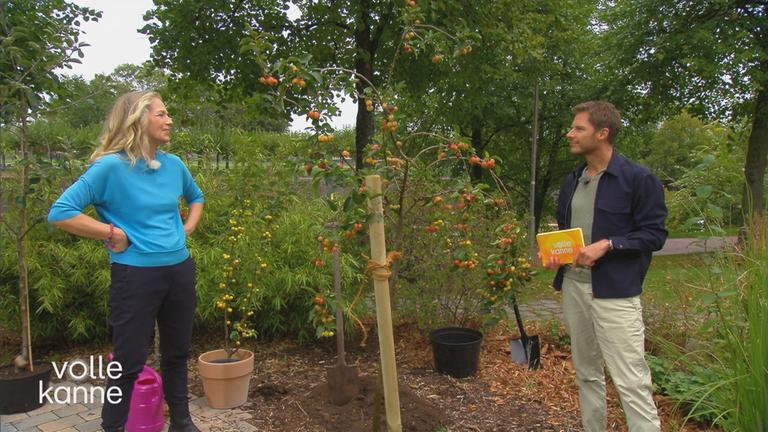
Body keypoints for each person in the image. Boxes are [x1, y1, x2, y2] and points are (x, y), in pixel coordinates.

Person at [48, 91, 204, 432]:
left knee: (177, 353)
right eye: (161, 114)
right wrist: (109, 232)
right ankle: (113, 426)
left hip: (178, 271)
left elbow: (196, 197)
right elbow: (60, 212)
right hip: (135, 275)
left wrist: (186, 229)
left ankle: (181, 420)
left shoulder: (174, 164)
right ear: (138, 119)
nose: (169, 120)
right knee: (128, 360)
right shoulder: (110, 167)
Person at [542, 101, 667, 432]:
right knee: (586, 373)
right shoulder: (572, 180)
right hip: (573, 286)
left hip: (615, 294)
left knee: (631, 381)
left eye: (578, 128)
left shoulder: (639, 179)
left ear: (603, 133)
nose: (570, 133)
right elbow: (570, 231)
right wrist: (558, 251)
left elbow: (654, 234)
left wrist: (610, 244)